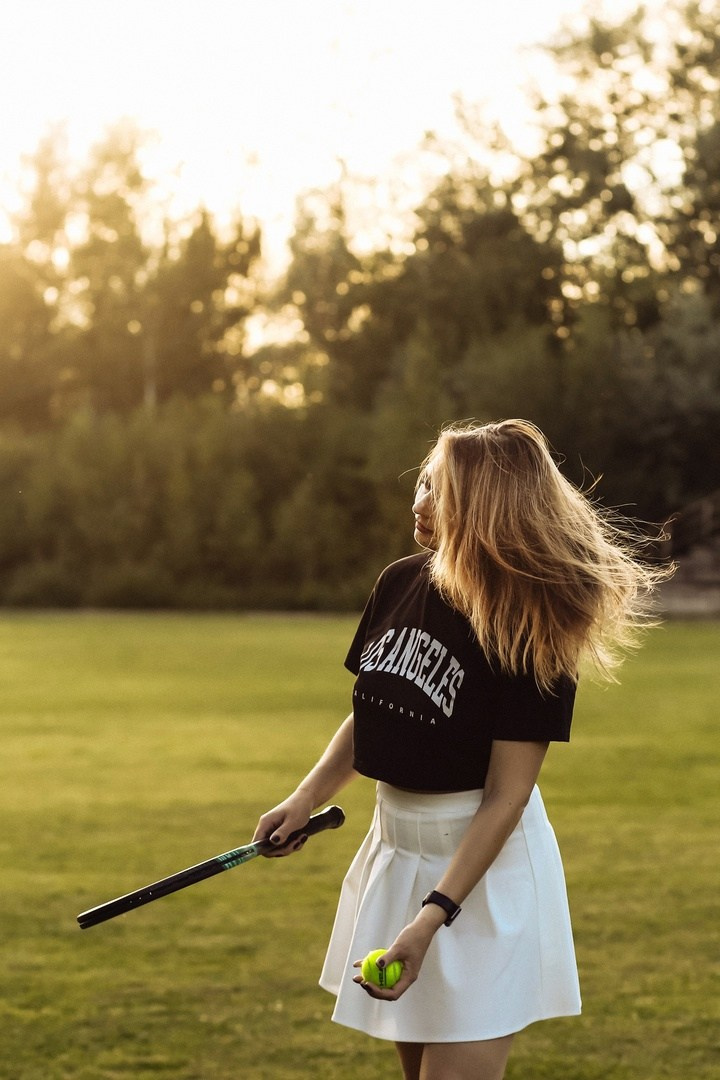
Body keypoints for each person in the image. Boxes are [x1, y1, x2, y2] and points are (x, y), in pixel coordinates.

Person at [253, 419, 667, 1080]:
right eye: (422, 482)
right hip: (397, 852)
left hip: (482, 871)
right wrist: (305, 798)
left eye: (440, 492)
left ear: (483, 508)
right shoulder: (399, 582)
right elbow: (375, 710)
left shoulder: (532, 622)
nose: (419, 500)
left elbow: (508, 795)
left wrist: (432, 918)